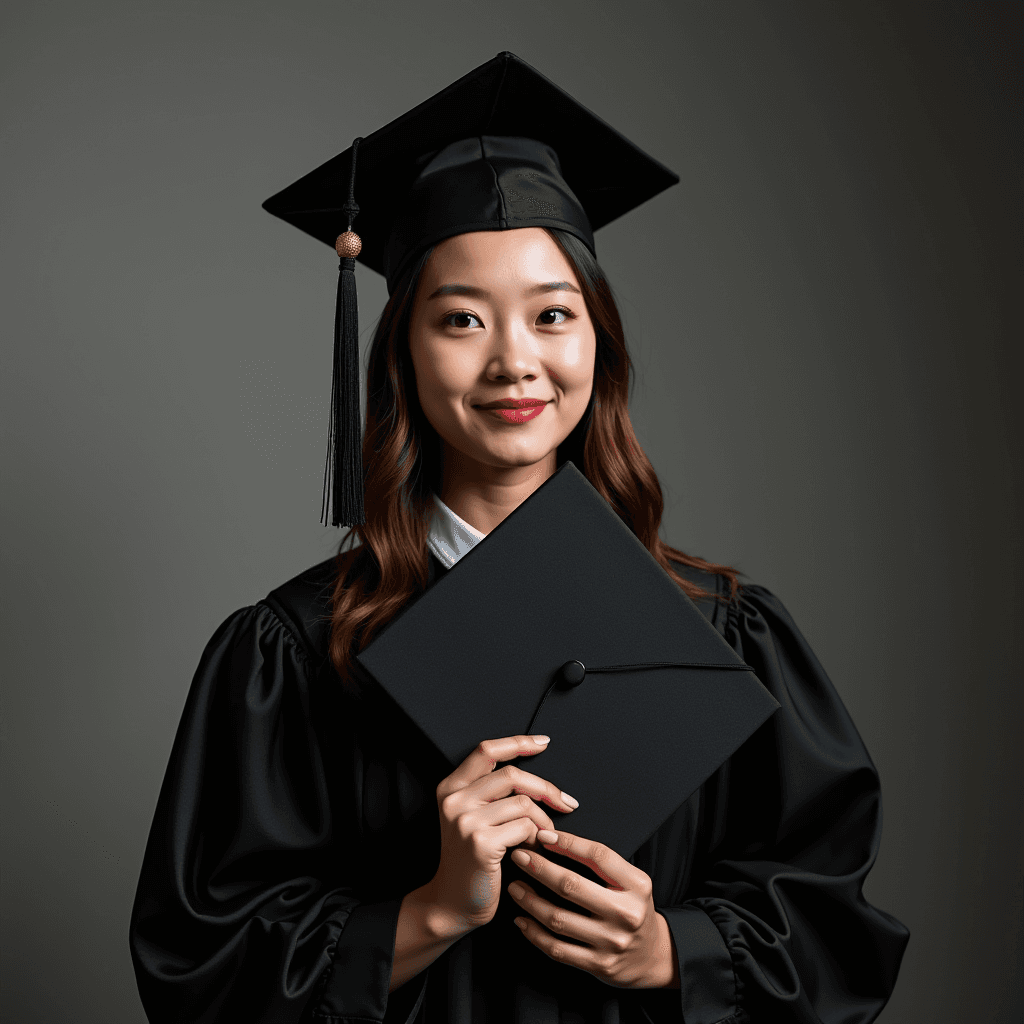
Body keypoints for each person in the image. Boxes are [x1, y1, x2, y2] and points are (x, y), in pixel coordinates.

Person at [129, 53, 909, 1024]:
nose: (515, 361)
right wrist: (428, 912)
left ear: (598, 343)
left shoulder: (720, 631)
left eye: (551, 314)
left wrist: (671, 949)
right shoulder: (295, 654)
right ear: (403, 353)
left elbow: (832, 922)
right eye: (460, 318)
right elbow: (200, 965)